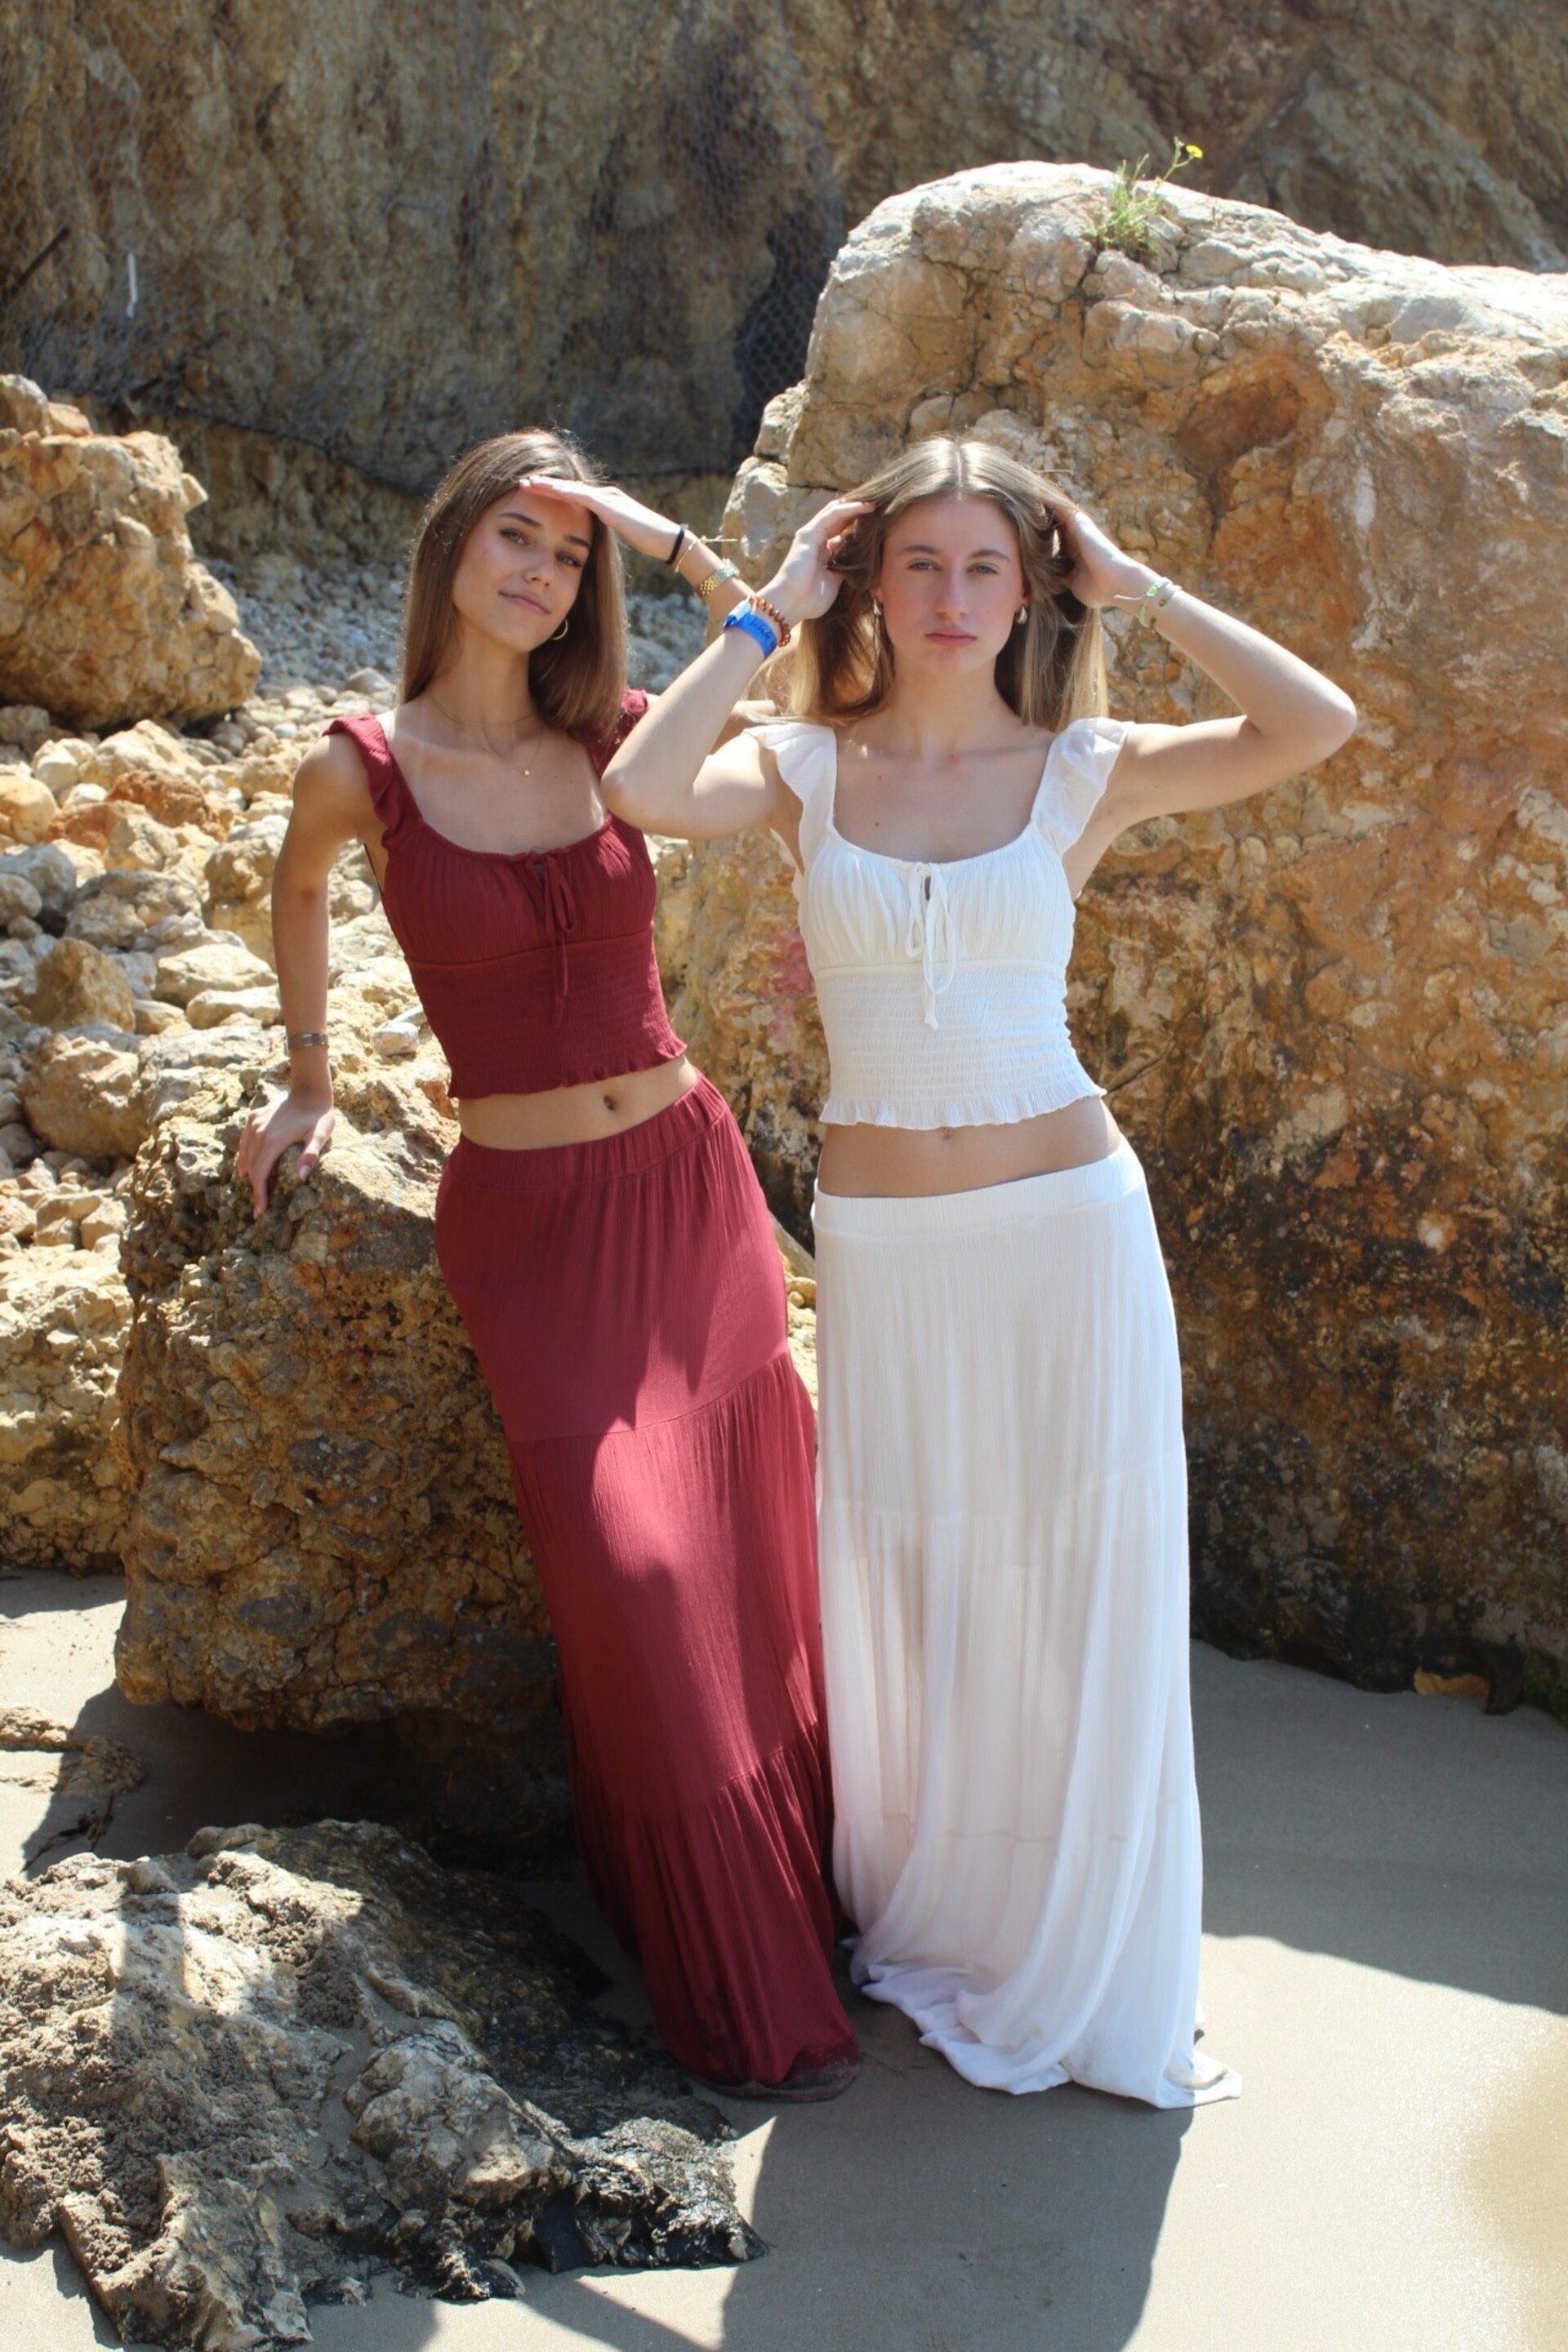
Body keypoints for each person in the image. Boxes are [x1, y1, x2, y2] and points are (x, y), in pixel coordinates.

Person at [596, 434, 1356, 2105]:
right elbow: (641, 790)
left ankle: (1082, 1949)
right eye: (920, 564)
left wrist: (1139, 586)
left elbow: (1316, 725)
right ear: (874, 584)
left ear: (1031, 590)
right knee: (918, 1586)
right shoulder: (805, 765)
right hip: (888, 1251)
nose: (951, 597)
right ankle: (954, 1915)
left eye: (985, 567)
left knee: (1073, 1589)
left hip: (1067, 1232)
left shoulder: (1083, 767)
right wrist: (767, 609)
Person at [237, 429, 860, 2100]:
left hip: (692, 1193)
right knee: (641, 1582)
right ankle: (724, 1960)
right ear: (451, 545)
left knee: (757, 1564)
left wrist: (659, 540)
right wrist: (308, 1079)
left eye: (566, 554)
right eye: (516, 535)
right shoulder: (363, 766)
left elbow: (778, 657)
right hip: (532, 1230)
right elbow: (296, 889)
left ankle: (818, 1904)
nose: (542, 571)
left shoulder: (615, 737)